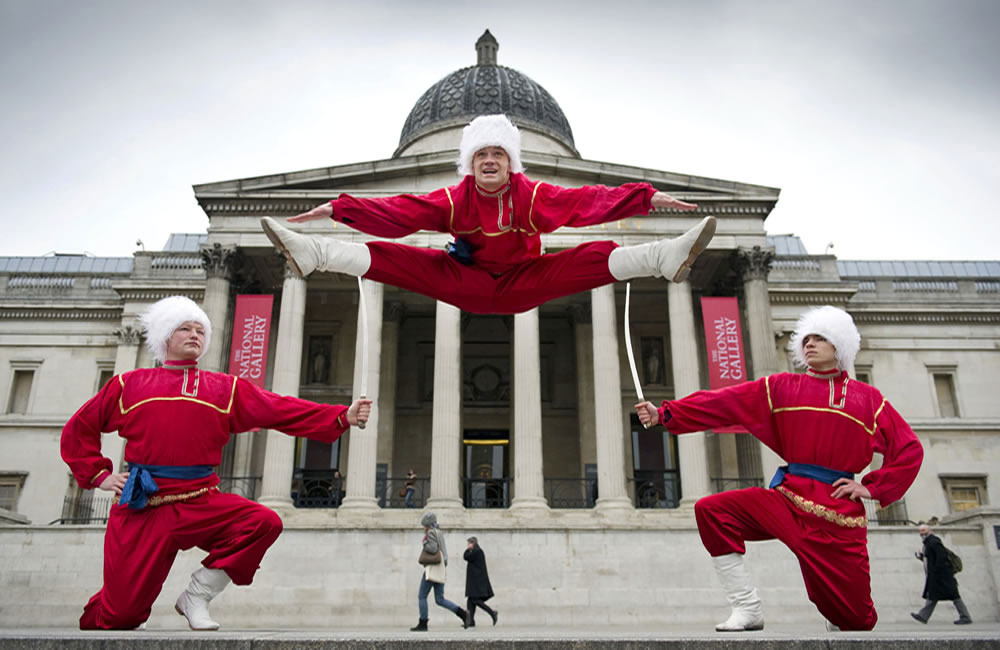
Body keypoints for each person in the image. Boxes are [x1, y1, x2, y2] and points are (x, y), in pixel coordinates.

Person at [60, 296, 372, 631]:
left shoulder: (224, 389)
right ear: (166, 336)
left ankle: (197, 594)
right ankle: (120, 606)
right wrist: (99, 475)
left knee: (263, 522)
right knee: (121, 616)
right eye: (185, 328)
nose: (195, 335)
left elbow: (278, 408)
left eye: (200, 330)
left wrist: (341, 416)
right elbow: (80, 427)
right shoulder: (128, 385)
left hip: (200, 500)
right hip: (143, 505)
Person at [635, 306, 924, 632]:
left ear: (839, 347)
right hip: (787, 498)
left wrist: (871, 487)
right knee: (712, 510)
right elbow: (725, 402)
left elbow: (909, 448)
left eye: (820, 338)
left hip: (837, 514)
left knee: (857, 620)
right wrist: (666, 414)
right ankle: (746, 607)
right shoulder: (782, 387)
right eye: (807, 338)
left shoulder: (869, 400)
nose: (809, 344)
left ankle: (837, 613)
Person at [261, 113, 716, 315]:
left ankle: (662, 257)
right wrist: (341, 208)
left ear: (512, 161)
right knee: (403, 261)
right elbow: (403, 211)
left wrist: (642, 197)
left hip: (524, 282)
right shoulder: (454, 199)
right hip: (468, 282)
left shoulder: (534, 196)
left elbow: (585, 203)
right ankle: (315, 252)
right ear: (470, 164)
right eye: (482, 155)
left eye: (499, 153)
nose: (491, 161)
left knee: (590, 257)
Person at [411, 512, 466, 631]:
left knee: (422, 596)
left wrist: (424, 542)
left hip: (432, 568)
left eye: (424, 525)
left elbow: (432, 548)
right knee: (440, 599)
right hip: (441, 568)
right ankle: (463, 614)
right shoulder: (439, 532)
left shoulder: (430, 533)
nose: (423, 528)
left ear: (427, 524)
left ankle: (423, 623)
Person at [911, 523, 973, 625]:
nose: (922, 533)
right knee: (933, 596)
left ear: (929, 531)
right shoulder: (928, 543)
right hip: (937, 575)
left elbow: (941, 557)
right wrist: (921, 557)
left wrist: (936, 571)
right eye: (920, 531)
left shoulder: (934, 542)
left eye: (923, 530)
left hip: (942, 576)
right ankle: (923, 616)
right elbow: (931, 559)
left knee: (954, 596)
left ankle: (965, 617)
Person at [463, 536, 497, 628]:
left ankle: (492, 612)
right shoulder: (476, 551)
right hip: (475, 581)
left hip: (477, 581)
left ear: (473, 543)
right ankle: (471, 621)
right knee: (470, 600)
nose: (467, 545)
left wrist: (467, 550)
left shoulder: (477, 551)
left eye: (469, 543)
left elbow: (466, 557)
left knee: (475, 600)